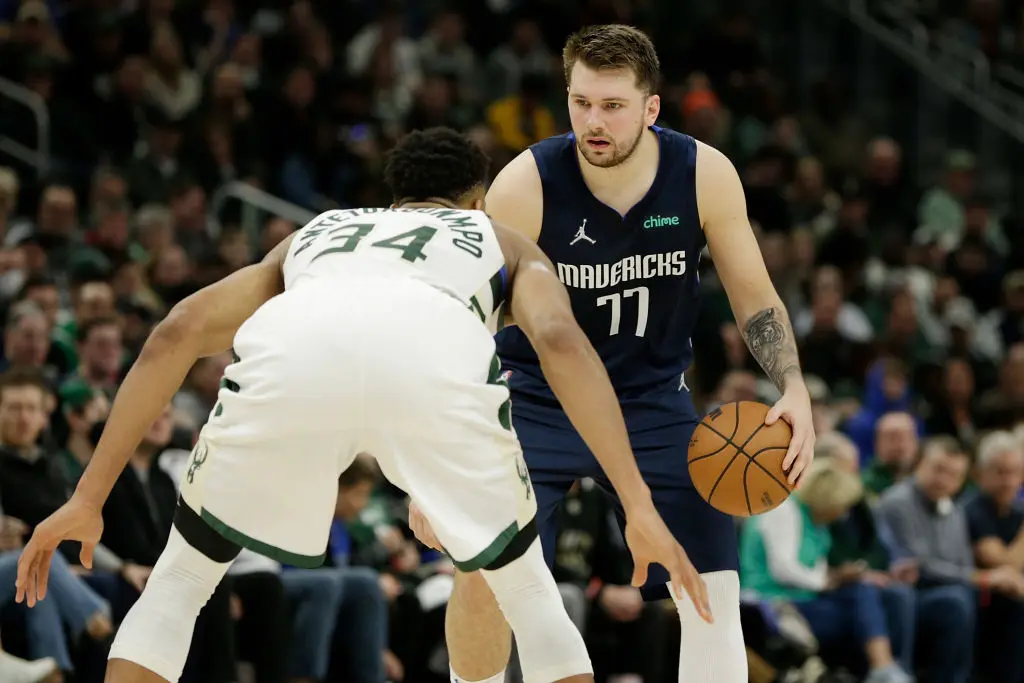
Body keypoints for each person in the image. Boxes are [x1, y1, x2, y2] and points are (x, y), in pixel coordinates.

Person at [14, 127, 710, 683]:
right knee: (528, 590)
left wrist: (87, 494)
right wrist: (638, 503)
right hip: (435, 362)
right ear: (476, 200)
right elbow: (558, 338)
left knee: (182, 578)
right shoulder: (495, 237)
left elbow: (175, 332)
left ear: (393, 198)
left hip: (295, 353)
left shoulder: (318, 232)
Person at [408, 24, 815, 683]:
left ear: (651, 107)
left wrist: (794, 386)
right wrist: (435, 460)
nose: (593, 122)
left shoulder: (704, 174)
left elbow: (755, 295)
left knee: (710, 583)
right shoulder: (526, 185)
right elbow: (461, 322)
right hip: (534, 399)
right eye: (581, 103)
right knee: (480, 571)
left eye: (613, 106)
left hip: (652, 401)